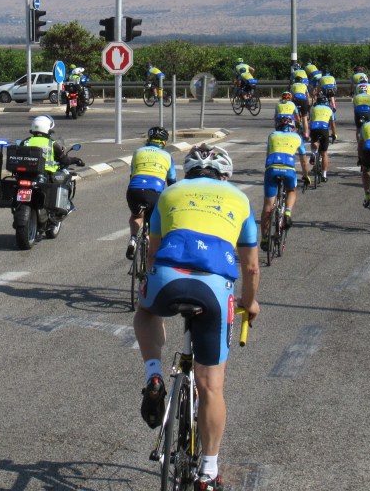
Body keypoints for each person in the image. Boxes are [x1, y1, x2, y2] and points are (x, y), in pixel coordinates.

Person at [133, 144, 260, 491]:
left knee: (145, 311)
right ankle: (208, 472)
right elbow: (251, 267)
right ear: (225, 176)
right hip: (214, 289)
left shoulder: (169, 193)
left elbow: (153, 252)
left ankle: (153, 374)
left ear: (188, 173)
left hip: (167, 278)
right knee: (211, 386)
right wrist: (250, 303)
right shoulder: (240, 199)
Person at [125, 126, 177, 259]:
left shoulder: (137, 152)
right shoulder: (167, 156)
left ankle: (133, 239)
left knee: (136, 215)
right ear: (164, 142)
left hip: (134, 191)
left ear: (149, 139)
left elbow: (133, 173)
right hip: (154, 193)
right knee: (155, 222)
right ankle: (149, 242)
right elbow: (172, 182)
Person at [260, 113, 310, 234]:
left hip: (272, 168)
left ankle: (265, 238)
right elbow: (303, 161)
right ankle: (287, 212)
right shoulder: (297, 137)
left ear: (277, 125)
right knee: (291, 190)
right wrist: (306, 175)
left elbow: (268, 155)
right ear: (292, 126)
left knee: (268, 206)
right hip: (288, 169)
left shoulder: (272, 135)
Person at [307, 94, 338, 182]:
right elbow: (332, 124)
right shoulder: (329, 109)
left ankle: (313, 153)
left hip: (314, 127)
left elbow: (310, 120)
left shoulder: (313, 108)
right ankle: (324, 175)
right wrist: (334, 134)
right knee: (324, 153)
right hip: (324, 129)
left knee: (314, 141)